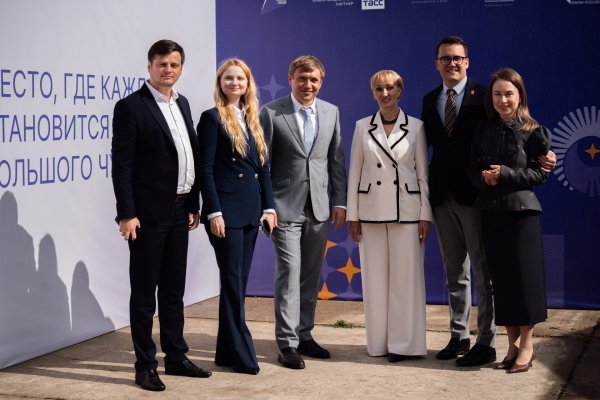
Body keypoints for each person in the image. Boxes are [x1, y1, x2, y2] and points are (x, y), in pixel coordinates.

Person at [421, 36, 556, 367]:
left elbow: (518, 135)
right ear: (436, 64)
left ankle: (486, 341)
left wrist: (545, 157)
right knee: (454, 270)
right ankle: (459, 336)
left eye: (457, 58)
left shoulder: (485, 96)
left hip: (478, 199)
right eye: (445, 58)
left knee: (485, 274)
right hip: (443, 196)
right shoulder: (429, 99)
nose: (452, 63)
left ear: (467, 62)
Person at [111, 39, 211, 391]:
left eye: (174, 64)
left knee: (173, 290)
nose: (168, 70)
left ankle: (176, 357)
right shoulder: (131, 107)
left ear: (181, 68)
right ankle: (145, 365)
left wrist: (193, 203)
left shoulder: (182, 103)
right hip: (147, 215)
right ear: (149, 66)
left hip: (180, 210)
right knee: (144, 294)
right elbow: (122, 165)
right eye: (162, 64)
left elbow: (189, 156)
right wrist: (127, 213)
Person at [259, 55, 347, 369]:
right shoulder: (271, 112)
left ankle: (304, 334)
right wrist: (266, 206)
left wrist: (339, 202)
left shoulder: (331, 112)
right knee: (289, 272)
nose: (308, 85)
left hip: (319, 207)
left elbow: (336, 160)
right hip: (283, 208)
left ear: (321, 82)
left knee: (310, 275)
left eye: (313, 80)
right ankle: (287, 344)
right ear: (291, 79)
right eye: (302, 79)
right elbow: (262, 163)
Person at [197, 58, 276, 375]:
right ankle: (243, 355)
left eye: (240, 78)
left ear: (248, 84)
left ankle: (225, 352)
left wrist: (269, 208)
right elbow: (205, 170)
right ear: (220, 83)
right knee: (231, 282)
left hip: (251, 211)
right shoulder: (212, 118)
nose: (234, 83)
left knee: (238, 284)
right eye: (228, 78)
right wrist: (213, 211)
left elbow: (264, 168)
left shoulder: (253, 117)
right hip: (225, 213)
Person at [346, 70, 432, 362]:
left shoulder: (416, 127)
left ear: (400, 91)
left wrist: (425, 214)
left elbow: (423, 174)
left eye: (390, 88)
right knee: (375, 282)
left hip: (407, 212)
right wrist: (353, 215)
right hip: (370, 212)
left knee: (406, 281)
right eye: (379, 89)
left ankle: (404, 345)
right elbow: (354, 172)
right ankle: (379, 344)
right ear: (373, 93)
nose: (385, 94)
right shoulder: (362, 127)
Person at [468, 68, 550, 373]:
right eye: (497, 94)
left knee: (524, 283)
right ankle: (512, 344)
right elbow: (472, 170)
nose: (503, 100)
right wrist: (484, 180)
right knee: (502, 283)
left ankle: (527, 345)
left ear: (520, 96)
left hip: (522, 215)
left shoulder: (534, 130)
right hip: (491, 214)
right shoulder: (484, 129)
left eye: (509, 94)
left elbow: (540, 173)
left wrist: (505, 174)